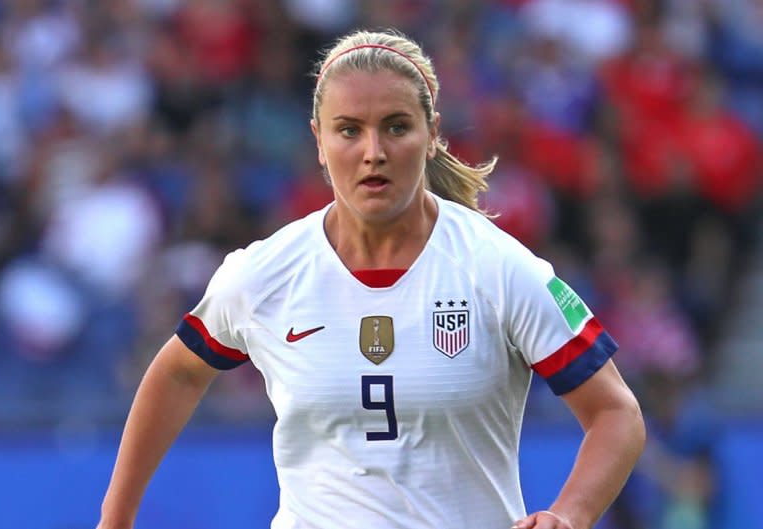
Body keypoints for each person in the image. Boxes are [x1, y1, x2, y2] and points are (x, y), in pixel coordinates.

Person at [97, 29, 645, 529]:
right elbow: (178, 374)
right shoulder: (265, 273)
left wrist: (569, 516)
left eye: (396, 127)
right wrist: (115, 519)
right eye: (348, 131)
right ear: (318, 140)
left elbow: (616, 412)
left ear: (432, 134)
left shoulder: (499, 269)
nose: (373, 153)